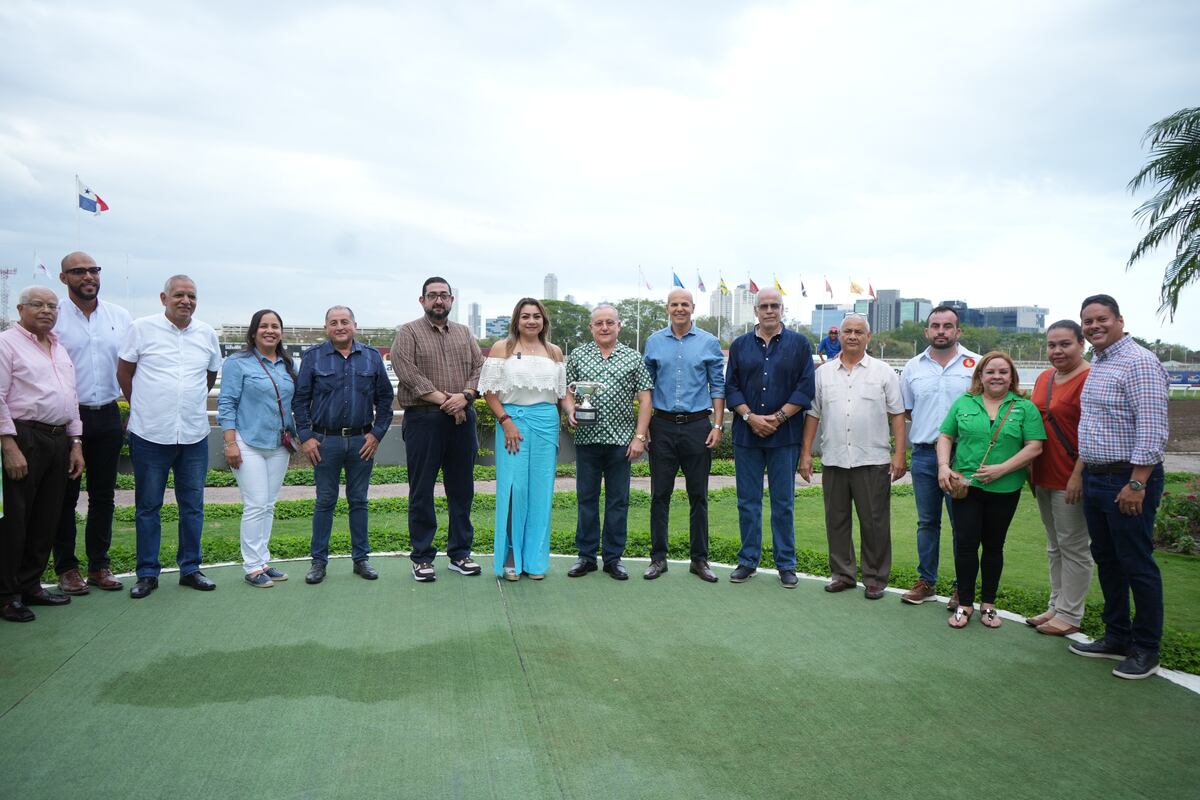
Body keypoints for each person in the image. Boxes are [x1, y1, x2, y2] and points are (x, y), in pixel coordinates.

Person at [1069, 294, 1169, 680]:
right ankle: (1116, 635)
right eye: (1088, 321)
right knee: (1107, 559)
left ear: (1120, 320)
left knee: (1137, 563)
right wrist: (1080, 472)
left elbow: (1153, 429)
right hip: (1096, 476)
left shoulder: (1140, 362)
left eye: (1101, 319)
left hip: (1127, 479)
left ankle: (1146, 648)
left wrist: (1137, 482)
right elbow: (1094, 425)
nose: (1094, 326)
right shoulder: (1100, 362)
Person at [118, 275, 221, 599]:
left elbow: (209, 376)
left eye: (192, 295)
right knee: (148, 507)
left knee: (193, 506)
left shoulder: (206, 333)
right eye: (179, 295)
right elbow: (124, 372)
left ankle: (190, 568)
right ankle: (147, 573)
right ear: (164, 297)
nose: (186, 301)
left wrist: (184, 403)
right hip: (150, 434)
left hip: (192, 435)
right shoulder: (141, 328)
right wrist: (145, 406)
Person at [801, 313, 906, 599]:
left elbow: (897, 415)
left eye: (859, 332)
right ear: (840, 335)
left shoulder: (883, 372)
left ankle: (874, 578)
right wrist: (806, 454)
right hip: (834, 458)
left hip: (872, 459)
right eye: (847, 331)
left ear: (868, 337)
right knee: (836, 520)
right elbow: (813, 415)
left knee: (875, 522)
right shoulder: (822, 374)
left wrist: (899, 455)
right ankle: (842, 574)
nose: (852, 336)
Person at [937, 351, 1045, 629]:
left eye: (1003, 372)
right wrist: (943, 466)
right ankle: (964, 604)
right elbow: (946, 435)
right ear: (980, 376)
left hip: (1005, 488)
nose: (996, 377)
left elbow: (1035, 446)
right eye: (990, 372)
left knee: (994, 546)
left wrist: (1002, 469)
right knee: (966, 545)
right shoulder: (964, 402)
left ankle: (988, 604)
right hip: (966, 487)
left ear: (1012, 377)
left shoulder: (1024, 407)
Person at [389, 277, 484, 582]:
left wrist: (466, 396)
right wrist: (448, 401)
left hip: (462, 421)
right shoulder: (409, 333)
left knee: (462, 490)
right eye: (433, 296)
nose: (439, 301)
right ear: (422, 300)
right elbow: (407, 373)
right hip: (424, 420)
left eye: (444, 296)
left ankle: (460, 553)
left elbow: (480, 368)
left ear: (452, 300)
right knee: (421, 490)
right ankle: (422, 557)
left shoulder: (465, 333)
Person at [0, 287, 85, 622]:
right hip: (24, 436)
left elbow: (71, 397)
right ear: (21, 308)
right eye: (38, 305)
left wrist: (75, 442)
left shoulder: (59, 347)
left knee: (46, 517)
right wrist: (8, 444)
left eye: (52, 306)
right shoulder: (7, 343)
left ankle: (30, 584)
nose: (47, 311)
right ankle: (6, 594)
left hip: (58, 438)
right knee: (15, 520)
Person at [293, 305, 395, 584]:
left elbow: (385, 401)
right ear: (326, 328)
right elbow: (300, 401)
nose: (340, 327)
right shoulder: (313, 358)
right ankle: (318, 562)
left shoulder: (372, 358)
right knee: (325, 501)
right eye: (334, 322)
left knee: (359, 500)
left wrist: (377, 434)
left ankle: (361, 559)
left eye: (345, 322)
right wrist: (306, 437)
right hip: (325, 442)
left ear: (355, 325)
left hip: (362, 441)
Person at [51, 251, 132, 594]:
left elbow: (132, 365)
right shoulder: (52, 317)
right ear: (63, 277)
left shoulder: (119, 316)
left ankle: (99, 564)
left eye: (93, 270)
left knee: (103, 495)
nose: (88, 277)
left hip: (109, 414)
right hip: (69, 417)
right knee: (64, 497)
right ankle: (67, 568)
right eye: (79, 271)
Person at [725, 289, 814, 588]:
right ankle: (748, 560)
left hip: (784, 435)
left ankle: (786, 564)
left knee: (783, 503)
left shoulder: (800, 344)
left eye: (774, 305)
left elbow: (804, 389)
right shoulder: (739, 346)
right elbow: (731, 387)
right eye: (764, 306)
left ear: (782, 309)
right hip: (747, 435)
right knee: (748, 501)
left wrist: (777, 418)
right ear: (755, 311)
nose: (769, 311)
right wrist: (751, 417)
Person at [563, 304, 652, 581]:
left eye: (609, 323)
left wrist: (639, 437)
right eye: (599, 323)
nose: (604, 327)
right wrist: (569, 410)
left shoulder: (633, 357)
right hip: (587, 441)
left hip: (621, 442)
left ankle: (613, 559)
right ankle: (586, 557)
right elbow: (566, 390)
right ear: (591, 327)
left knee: (618, 502)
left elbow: (646, 399)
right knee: (586, 499)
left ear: (619, 326)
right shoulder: (578, 355)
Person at [899, 305, 980, 607]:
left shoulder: (976, 365)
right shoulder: (913, 367)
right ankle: (926, 581)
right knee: (927, 522)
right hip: (924, 455)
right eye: (936, 326)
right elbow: (907, 410)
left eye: (948, 326)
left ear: (958, 331)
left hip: (963, 457)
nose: (941, 331)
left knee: (963, 524)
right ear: (927, 331)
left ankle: (962, 587)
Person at [642, 288, 725, 582]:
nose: (680, 309)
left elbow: (717, 386)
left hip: (697, 426)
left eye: (685, 304)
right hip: (662, 425)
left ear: (693, 307)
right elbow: (646, 390)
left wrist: (717, 425)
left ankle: (699, 560)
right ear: (667, 307)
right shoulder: (653, 342)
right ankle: (658, 558)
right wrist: (644, 429)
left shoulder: (708, 342)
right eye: (675, 304)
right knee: (659, 495)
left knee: (698, 496)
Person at [479, 298, 565, 581]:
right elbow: (490, 392)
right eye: (525, 316)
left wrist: (575, 412)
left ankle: (535, 561)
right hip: (512, 424)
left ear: (544, 321)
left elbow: (562, 395)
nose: (531, 321)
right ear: (516, 320)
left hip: (546, 424)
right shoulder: (502, 348)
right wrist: (506, 422)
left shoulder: (554, 352)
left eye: (536, 316)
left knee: (541, 492)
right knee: (514, 490)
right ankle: (511, 556)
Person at [217, 309, 298, 588]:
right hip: (246, 442)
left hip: (279, 444)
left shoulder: (288, 364)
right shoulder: (237, 363)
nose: (270, 330)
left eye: (275, 326)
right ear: (253, 331)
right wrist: (230, 443)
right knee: (255, 504)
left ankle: (262, 560)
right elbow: (226, 404)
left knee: (268, 505)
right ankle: (251, 566)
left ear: (281, 332)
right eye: (264, 326)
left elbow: (295, 404)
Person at [1026, 320, 1093, 636]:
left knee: (1074, 546)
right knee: (1054, 545)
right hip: (1043, 474)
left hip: (1072, 476)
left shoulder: (1090, 378)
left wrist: (1078, 475)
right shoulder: (1044, 378)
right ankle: (1056, 605)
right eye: (1052, 345)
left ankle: (1070, 613)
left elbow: (1093, 434)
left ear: (1082, 343)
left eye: (1065, 344)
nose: (1057, 351)